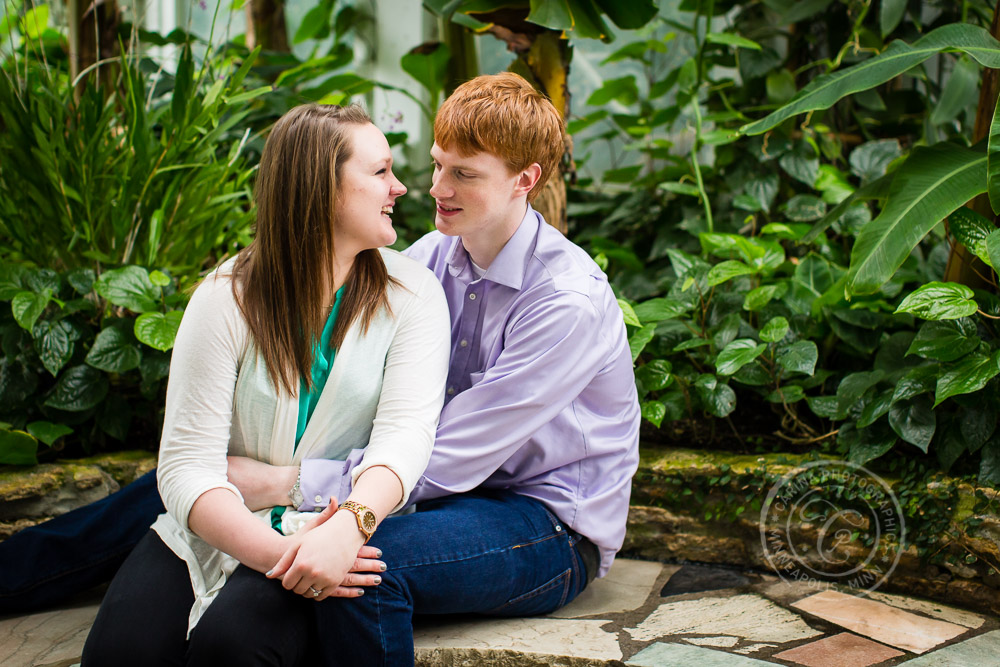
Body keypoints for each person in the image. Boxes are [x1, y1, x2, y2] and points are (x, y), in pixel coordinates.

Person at [1, 72, 640, 666]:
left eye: (464, 175)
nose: (433, 190)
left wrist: (291, 482)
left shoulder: (566, 301)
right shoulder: (432, 258)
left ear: (524, 180)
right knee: (191, 486)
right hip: (431, 486)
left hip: (543, 519)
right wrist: (246, 485)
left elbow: (451, 454)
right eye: (438, 165)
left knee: (356, 562)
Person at [79, 103, 451, 665]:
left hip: (338, 530)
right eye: (380, 172)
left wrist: (347, 528)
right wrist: (285, 557)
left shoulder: (413, 295)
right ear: (319, 188)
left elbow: (404, 440)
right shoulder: (223, 296)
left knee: (232, 647)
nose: (399, 187)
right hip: (217, 527)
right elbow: (186, 467)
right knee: (119, 655)